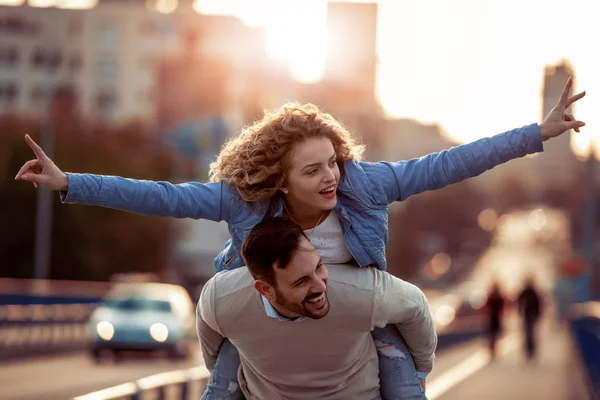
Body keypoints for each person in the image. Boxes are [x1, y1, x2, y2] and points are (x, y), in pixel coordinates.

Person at [15, 78, 585, 399]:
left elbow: (450, 164)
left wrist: (537, 133)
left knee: (400, 372)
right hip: (271, 307)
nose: (330, 177)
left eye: (332, 162)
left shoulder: (366, 185)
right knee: (224, 377)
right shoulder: (245, 201)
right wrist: (70, 182)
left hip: (359, 313)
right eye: (312, 170)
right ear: (280, 180)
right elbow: (163, 196)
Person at [197, 216, 437, 399]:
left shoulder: (361, 293)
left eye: (319, 267)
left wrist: (421, 370)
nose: (320, 285)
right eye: (301, 281)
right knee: (233, 339)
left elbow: (415, 305)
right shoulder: (223, 298)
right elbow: (213, 355)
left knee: (388, 326)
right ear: (265, 290)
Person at [517, 278, 543, 360]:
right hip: (528, 315)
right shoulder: (530, 292)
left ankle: (530, 348)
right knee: (529, 332)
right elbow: (519, 301)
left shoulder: (533, 292)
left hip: (531, 315)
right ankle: (529, 348)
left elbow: (539, 304)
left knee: (530, 332)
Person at [485, 282, 506, 358]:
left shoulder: (499, 297)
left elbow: (503, 306)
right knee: (491, 334)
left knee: (496, 334)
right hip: (491, 317)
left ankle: (494, 349)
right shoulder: (491, 296)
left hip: (497, 317)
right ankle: (491, 349)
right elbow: (486, 306)